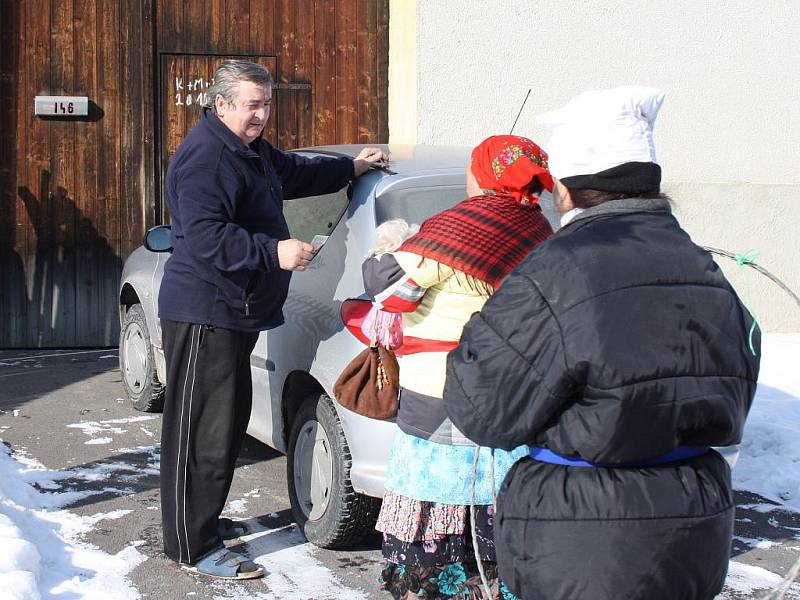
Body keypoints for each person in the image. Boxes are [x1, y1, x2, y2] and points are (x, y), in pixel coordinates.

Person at [443, 87, 761, 600]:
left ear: (566, 191)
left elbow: (482, 411)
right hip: (694, 526)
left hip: (586, 538)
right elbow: (735, 384)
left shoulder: (555, 271)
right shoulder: (702, 268)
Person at [157, 59, 387, 579]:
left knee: (226, 425)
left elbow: (291, 171)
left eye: (266, 104)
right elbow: (205, 236)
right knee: (201, 432)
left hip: (233, 312)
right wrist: (273, 252)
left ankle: (202, 524)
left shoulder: (247, 149)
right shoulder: (206, 159)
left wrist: (349, 168)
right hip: (204, 313)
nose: (261, 115)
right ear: (221, 104)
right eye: (251, 105)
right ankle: (190, 547)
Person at [360, 135, 554, 599]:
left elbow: (389, 290)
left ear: (483, 175)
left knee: (435, 511)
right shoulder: (542, 232)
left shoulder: (455, 228)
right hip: (512, 402)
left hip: (439, 398)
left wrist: (388, 250)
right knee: (496, 512)